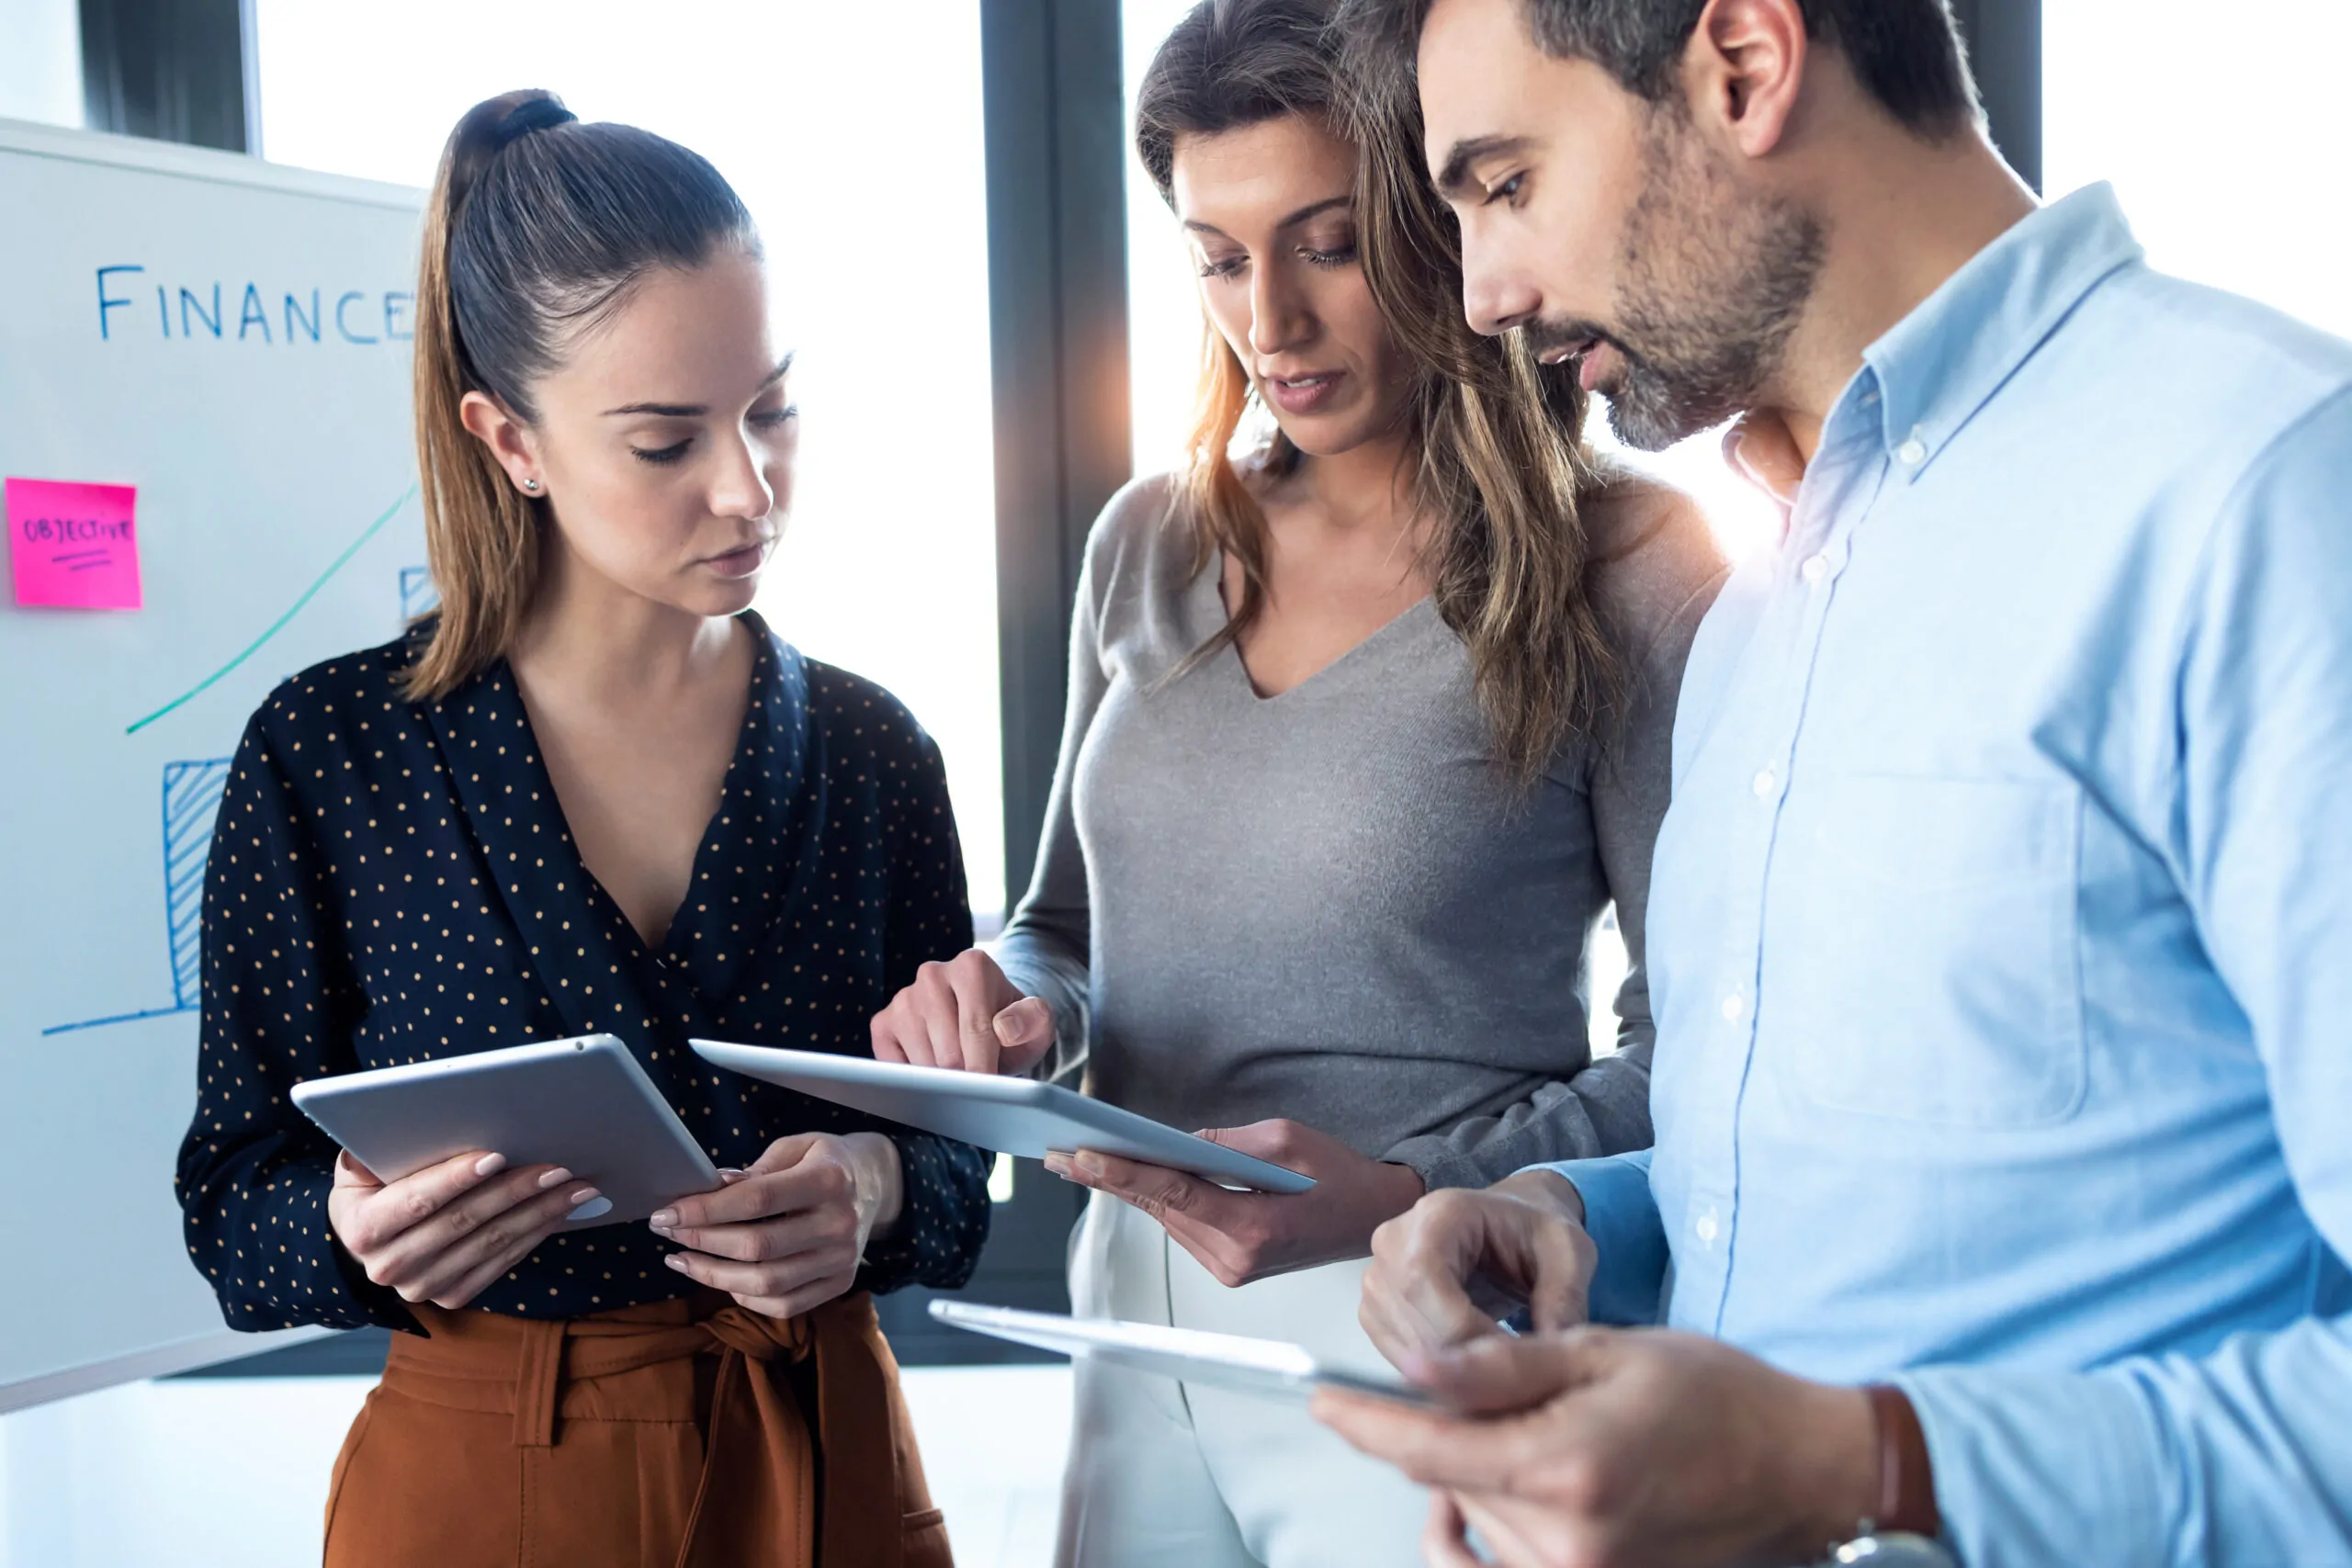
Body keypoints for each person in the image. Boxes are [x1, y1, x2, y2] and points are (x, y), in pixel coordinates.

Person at [1314, 1, 2352, 1565]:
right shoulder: (1757, 622)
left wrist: (1860, 1462)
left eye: (1506, 184)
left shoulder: (2267, 491)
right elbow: (1867, 1173)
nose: (1481, 295)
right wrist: (1586, 1218)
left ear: (1743, 65)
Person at [868, 3, 1724, 1563]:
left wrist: (1400, 1186)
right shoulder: (1151, 539)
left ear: (1426, 219)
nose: (1269, 316)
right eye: (1216, 254)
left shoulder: (1629, 567)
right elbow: (1067, 919)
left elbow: (1706, 1054)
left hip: (1422, 1314)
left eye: (1323, 243)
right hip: (1127, 1308)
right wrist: (1010, 1005)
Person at [175, 90, 986, 1568]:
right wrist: (354, 1230)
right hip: (488, 1482)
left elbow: (956, 1164)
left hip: (830, 1459)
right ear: (512, 438)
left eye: (773, 409)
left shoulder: (875, 751)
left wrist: (873, 1192)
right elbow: (231, 1206)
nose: (748, 487)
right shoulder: (332, 753)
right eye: (666, 440)